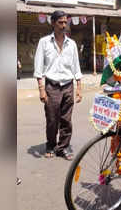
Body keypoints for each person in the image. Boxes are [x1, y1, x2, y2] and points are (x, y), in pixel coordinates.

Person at [33, 10, 83, 160]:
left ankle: (63, 147)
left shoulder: (72, 44)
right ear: (53, 23)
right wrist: (41, 90)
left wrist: (79, 88)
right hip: (51, 87)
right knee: (52, 119)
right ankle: (50, 145)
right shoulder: (44, 42)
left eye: (65, 22)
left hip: (68, 86)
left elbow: (76, 67)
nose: (63, 25)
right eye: (60, 22)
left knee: (66, 120)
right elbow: (38, 68)